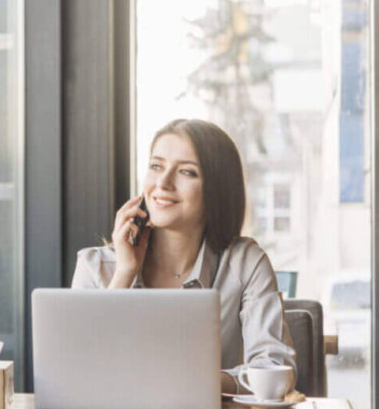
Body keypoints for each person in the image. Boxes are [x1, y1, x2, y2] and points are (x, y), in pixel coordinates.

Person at [71, 118, 297, 394]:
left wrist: (183, 382)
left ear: (217, 189)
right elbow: (78, 373)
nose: (163, 183)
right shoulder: (96, 266)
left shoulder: (245, 263)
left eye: (187, 172)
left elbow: (274, 368)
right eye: (156, 166)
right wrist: (125, 273)